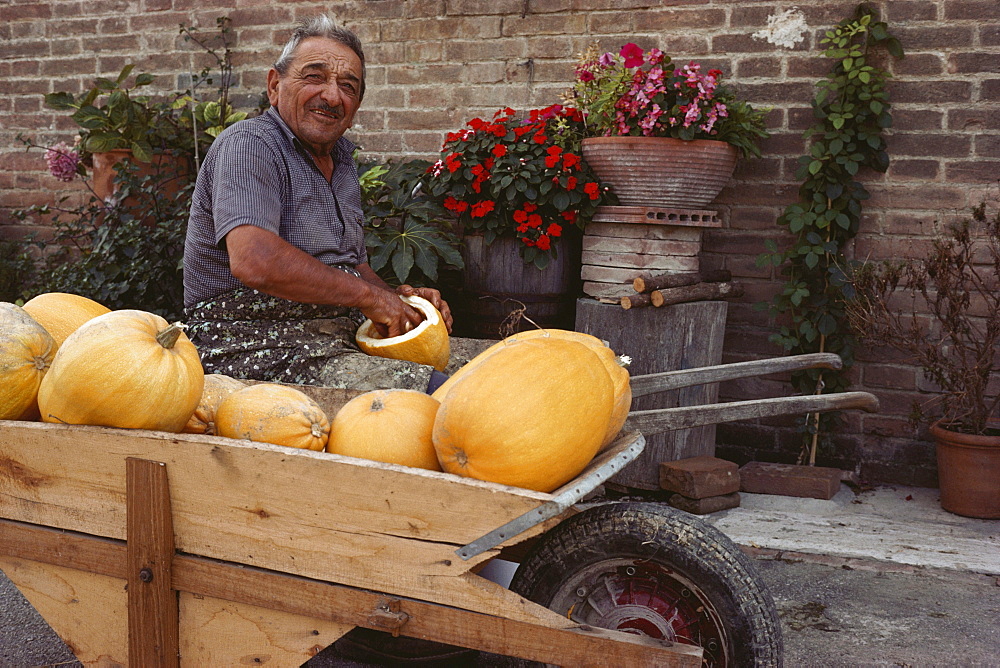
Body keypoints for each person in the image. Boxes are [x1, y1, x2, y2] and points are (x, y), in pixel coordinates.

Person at [183, 15, 479, 393]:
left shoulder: (339, 161)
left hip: (334, 337)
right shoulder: (250, 145)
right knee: (445, 393)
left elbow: (352, 267)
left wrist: (402, 303)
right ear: (275, 85)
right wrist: (370, 297)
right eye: (314, 76)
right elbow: (255, 261)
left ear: (357, 104)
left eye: (348, 86)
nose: (333, 96)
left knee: (493, 366)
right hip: (252, 345)